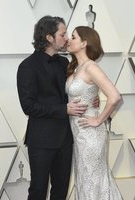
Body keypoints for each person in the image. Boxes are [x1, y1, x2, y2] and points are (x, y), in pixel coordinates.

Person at [17, 16, 88, 200]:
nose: (67, 39)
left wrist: (91, 100)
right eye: (63, 34)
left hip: (65, 139)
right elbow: (28, 106)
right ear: (49, 37)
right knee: (38, 191)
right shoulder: (27, 67)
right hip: (41, 141)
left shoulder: (64, 63)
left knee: (61, 192)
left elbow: (74, 92)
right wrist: (63, 109)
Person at [66, 26, 123, 199]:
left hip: (90, 134)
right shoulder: (75, 68)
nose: (69, 39)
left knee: (92, 180)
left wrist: (98, 120)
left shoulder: (91, 67)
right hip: (78, 134)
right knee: (85, 180)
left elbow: (114, 97)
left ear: (84, 43)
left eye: (73, 37)